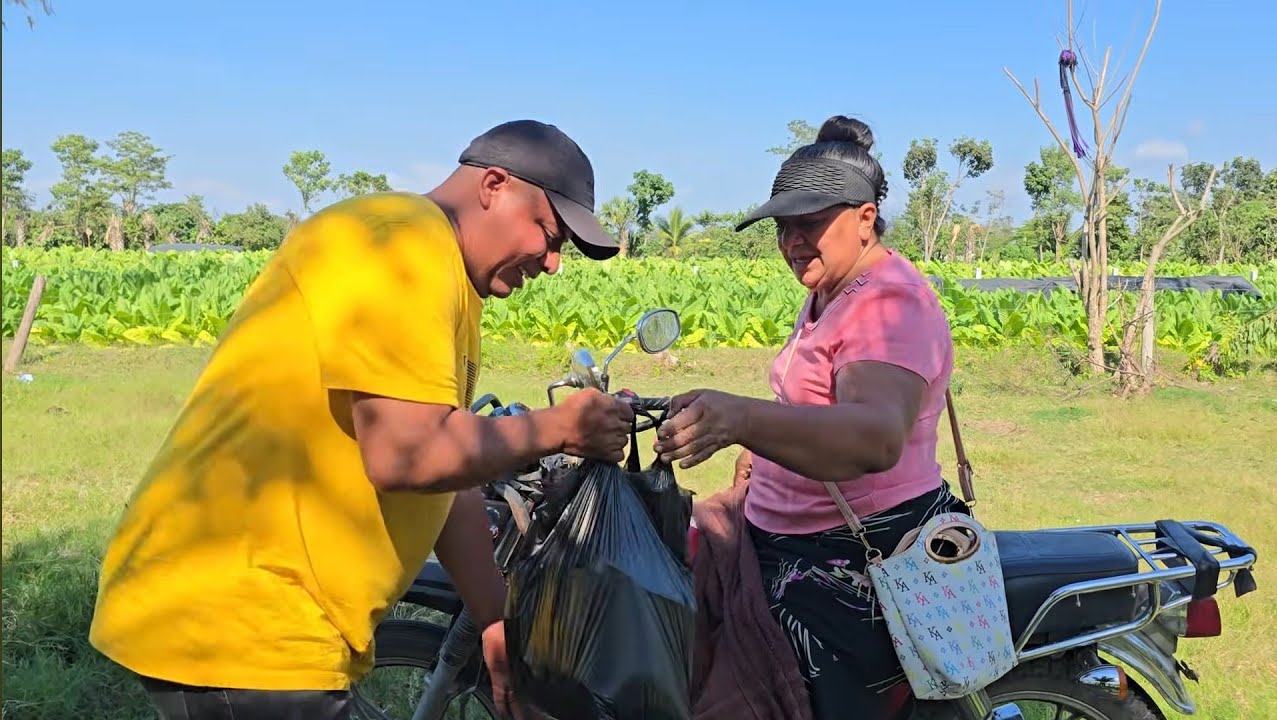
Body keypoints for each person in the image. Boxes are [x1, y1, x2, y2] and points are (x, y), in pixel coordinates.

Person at [89, 119, 635, 720]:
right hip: (241, 622)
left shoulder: (442, 273)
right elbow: (409, 454)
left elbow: (445, 474)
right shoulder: (401, 245)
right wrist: (559, 428)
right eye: (549, 233)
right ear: (495, 186)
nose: (554, 264)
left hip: (271, 625)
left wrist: (494, 620)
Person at [656, 115, 969, 720]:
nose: (794, 242)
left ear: (864, 219)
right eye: (784, 228)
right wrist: (755, 453)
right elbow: (812, 403)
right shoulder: (831, 290)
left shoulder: (888, 301)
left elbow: (874, 438)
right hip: (780, 528)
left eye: (811, 224)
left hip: (851, 555)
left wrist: (743, 420)